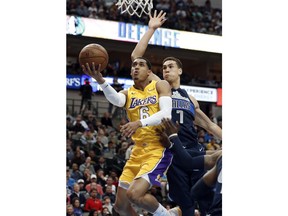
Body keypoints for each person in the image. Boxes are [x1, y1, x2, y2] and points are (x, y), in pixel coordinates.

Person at [131, 10, 222, 216]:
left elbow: (209, 125)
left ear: (180, 71)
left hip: (194, 151)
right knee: (187, 205)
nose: (165, 70)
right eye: (163, 67)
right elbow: (136, 56)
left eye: (170, 66)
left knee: (205, 199)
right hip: (173, 154)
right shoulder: (158, 88)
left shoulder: (190, 98)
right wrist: (151, 29)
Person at [81, 57, 177, 216]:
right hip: (138, 152)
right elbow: (117, 100)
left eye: (141, 65)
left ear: (149, 72)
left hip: (158, 149)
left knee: (134, 194)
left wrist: (138, 123)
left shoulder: (160, 85)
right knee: (121, 206)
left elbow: (166, 114)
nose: (136, 68)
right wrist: (100, 79)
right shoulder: (128, 93)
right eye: (134, 65)